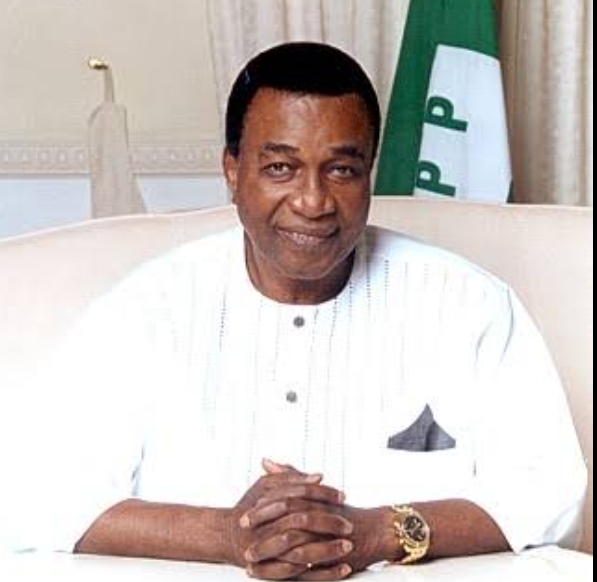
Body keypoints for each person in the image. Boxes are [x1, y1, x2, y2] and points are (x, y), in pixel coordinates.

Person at [2, 43, 586, 580]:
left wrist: (376, 532)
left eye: (342, 169)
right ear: (233, 172)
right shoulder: (144, 309)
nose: (312, 201)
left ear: (369, 174)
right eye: (280, 167)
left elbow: (550, 494)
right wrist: (228, 535)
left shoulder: (466, 303)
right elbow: (40, 498)